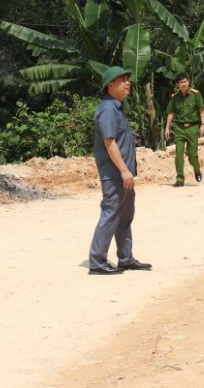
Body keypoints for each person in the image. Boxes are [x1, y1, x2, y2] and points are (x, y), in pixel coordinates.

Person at [88, 66, 152, 275]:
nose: (127, 83)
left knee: (125, 216)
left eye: (127, 79)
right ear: (110, 85)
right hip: (115, 174)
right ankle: (97, 262)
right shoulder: (107, 109)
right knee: (111, 214)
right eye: (122, 80)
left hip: (124, 174)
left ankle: (125, 258)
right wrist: (124, 170)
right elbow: (109, 142)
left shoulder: (116, 108)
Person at [165, 74, 204, 187]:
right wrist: (167, 127)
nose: (184, 84)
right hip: (179, 128)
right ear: (178, 85)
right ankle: (180, 179)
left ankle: (197, 170)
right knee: (178, 154)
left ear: (188, 82)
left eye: (185, 82)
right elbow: (171, 113)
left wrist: (203, 124)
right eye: (181, 82)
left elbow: (201, 110)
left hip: (193, 128)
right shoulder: (175, 97)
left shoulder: (195, 94)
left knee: (192, 154)